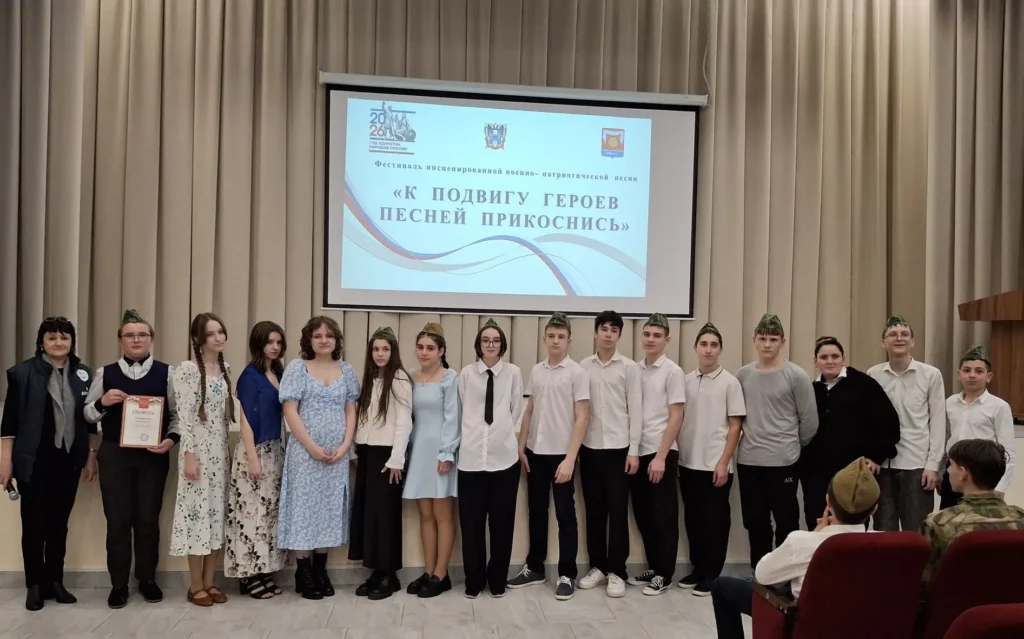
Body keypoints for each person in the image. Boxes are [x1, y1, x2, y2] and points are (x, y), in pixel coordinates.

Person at [711, 457, 880, 639]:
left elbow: (762, 575)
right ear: (874, 510)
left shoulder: (804, 542)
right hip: (862, 626)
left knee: (722, 587)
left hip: (809, 625)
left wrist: (816, 533)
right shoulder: (888, 545)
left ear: (828, 502)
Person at [84, 309, 178, 609]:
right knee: (118, 521)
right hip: (114, 455)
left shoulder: (168, 373)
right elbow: (87, 414)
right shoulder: (105, 374)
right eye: (130, 335)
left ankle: (147, 580)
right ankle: (119, 584)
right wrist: (102, 402)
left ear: (151, 339)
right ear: (120, 341)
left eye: (142, 335)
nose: (136, 340)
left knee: (148, 520)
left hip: (153, 457)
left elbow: (177, 416)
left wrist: (170, 440)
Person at [1, 317, 96, 611]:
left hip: (69, 459)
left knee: (58, 524)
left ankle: (55, 580)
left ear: (72, 342)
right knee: (33, 525)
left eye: (64, 337)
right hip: (33, 460)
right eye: (52, 337)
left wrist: (91, 455)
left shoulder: (83, 374)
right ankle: (34, 585)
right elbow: (9, 423)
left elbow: (90, 421)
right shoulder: (22, 373)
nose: (58, 343)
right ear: (41, 342)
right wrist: (5, 462)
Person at [277, 316, 359, 601]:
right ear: (308, 340)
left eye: (329, 336)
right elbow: (290, 411)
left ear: (336, 340)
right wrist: (311, 446)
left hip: (337, 454)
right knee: (304, 509)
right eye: (318, 336)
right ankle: (304, 572)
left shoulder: (347, 370)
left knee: (328, 509)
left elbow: (351, 410)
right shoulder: (297, 368)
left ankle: (321, 570)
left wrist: (345, 445)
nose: (324, 340)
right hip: (305, 453)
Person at [511, 312, 590, 601]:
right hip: (536, 453)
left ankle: (567, 573)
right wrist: (521, 447)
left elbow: (582, 417)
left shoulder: (577, 373)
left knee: (565, 515)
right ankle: (535, 568)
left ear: (569, 340)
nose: (556, 341)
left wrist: (570, 458)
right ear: (544, 338)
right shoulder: (537, 371)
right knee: (536, 512)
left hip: (562, 455)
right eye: (552, 336)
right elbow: (529, 410)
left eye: (561, 336)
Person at [735, 314, 818, 568]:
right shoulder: (743, 375)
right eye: (762, 338)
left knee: (786, 521)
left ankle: (783, 574)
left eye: (773, 339)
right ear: (754, 340)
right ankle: (759, 573)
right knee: (755, 522)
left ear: (783, 341)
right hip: (749, 460)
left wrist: (792, 446)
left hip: (784, 462)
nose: (767, 344)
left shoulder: (796, 375)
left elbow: (809, 421)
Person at [800, 336, 900, 531]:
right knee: (816, 518)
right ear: (815, 361)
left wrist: (877, 456)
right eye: (824, 357)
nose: (830, 361)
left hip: (853, 469)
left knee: (853, 523)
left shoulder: (864, 384)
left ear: (843, 358)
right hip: (816, 471)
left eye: (835, 356)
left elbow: (889, 421)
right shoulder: (811, 389)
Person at [170, 312, 235, 607]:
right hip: (197, 452)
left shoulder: (226, 369)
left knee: (215, 517)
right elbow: (184, 417)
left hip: (219, 453)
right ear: (198, 338)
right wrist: (189, 455)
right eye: (210, 333)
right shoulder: (187, 370)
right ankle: (195, 585)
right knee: (196, 517)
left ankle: (210, 582)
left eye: (220, 331)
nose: (218, 338)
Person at [458, 319, 524, 599]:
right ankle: (473, 581)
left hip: (504, 460)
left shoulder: (513, 373)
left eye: (496, 340)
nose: (491, 345)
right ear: (479, 345)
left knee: (502, 525)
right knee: (471, 526)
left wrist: (508, 441)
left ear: (502, 345)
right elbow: (463, 409)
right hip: (471, 460)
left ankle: (497, 580)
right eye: (486, 340)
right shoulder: (466, 374)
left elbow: (517, 411)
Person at [577, 310, 641, 599]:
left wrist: (634, 451)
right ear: (595, 332)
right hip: (590, 448)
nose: (608, 334)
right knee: (594, 511)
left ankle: (617, 571)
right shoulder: (583, 367)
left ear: (619, 335)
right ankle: (598, 567)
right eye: (604, 329)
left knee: (617, 512)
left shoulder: (629, 368)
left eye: (614, 330)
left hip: (619, 449)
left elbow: (636, 411)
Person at [677, 322, 745, 596]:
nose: (708, 349)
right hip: (688, 463)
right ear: (696, 348)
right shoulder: (686, 380)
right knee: (693, 520)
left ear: (720, 350)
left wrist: (724, 462)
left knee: (715, 522)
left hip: (716, 464)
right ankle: (698, 568)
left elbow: (736, 426)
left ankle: (711, 575)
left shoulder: (730, 382)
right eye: (704, 344)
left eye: (713, 345)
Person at [225, 321, 289, 599]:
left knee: (268, 515)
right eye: (269, 342)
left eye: (278, 342)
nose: (274, 347)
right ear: (258, 344)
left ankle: (264, 571)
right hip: (255, 450)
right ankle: (247, 574)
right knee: (249, 514)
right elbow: (246, 419)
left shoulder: (279, 372)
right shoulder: (250, 375)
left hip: (275, 449)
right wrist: (252, 458)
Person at [350, 326, 413, 600]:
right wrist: (354, 451)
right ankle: (377, 571)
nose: (380, 354)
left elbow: (404, 422)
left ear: (393, 351)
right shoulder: (370, 378)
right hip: (367, 453)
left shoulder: (399, 379)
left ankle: (389, 573)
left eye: (385, 349)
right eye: (376, 349)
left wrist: (397, 458)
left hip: (387, 456)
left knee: (385, 516)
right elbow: (361, 418)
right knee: (370, 515)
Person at [867, 315, 945, 532]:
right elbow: (869, 421)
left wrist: (933, 465)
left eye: (904, 334)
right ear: (883, 342)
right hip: (883, 466)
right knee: (884, 530)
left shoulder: (931, 375)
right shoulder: (873, 374)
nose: (899, 338)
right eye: (892, 334)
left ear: (912, 341)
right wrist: (872, 455)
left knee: (917, 531)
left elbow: (938, 422)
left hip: (917, 465)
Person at [627, 313, 686, 596]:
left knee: (664, 515)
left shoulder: (673, 372)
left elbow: (677, 416)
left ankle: (665, 573)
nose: (651, 340)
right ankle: (654, 566)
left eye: (657, 335)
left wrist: (661, 457)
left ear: (667, 339)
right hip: (637, 451)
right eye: (647, 334)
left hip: (660, 451)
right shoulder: (634, 369)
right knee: (643, 514)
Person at [403, 322, 461, 599]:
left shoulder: (449, 378)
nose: (424, 352)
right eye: (420, 347)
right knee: (425, 514)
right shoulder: (409, 377)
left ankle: (442, 573)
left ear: (441, 351)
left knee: (442, 514)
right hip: (418, 451)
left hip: (440, 452)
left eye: (430, 348)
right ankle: (428, 571)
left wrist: (447, 452)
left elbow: (453, 417)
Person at [921, 439, 1024, 586]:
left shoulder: (939, 523)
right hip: (1012, 600)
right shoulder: (1020, 518)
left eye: (951, 465)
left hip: (956, 599)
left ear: (962, 473)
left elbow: (922, 581)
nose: (948, 470)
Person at [940, 346, 1017, 508]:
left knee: (979, 520)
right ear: (959, 374)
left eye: (979, 371)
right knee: (949, 518)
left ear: (989, 376)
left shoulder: (999, 406)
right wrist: (941, 474)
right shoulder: (949, 403)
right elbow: (944, 440)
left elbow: (1008, 452)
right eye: (967, 370)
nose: (972, 375)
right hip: (954, 472)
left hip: (983, 476)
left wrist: (1000, 487)